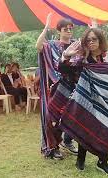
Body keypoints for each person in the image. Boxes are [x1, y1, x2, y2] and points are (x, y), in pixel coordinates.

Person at [59, 28, 108, 175]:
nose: (91, 42)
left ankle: (103, 162)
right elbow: (63, 69)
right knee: (85, 127)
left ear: (100, 40)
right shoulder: (82, 59)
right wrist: (65, 56)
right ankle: (80, 159)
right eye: (88, 40)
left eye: (94, 39)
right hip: (88, 101)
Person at [36, 13, 79, 159]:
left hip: (72, 86)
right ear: (59, 31)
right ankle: (53, 147)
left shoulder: (76, 45)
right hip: (55, 87)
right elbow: (38, 46)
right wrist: (46, 27)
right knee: (53, 117)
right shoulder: (51, 45)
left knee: (72, 115)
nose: (68, 31)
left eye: (70, 28)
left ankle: (67, 140)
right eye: (65, 29)